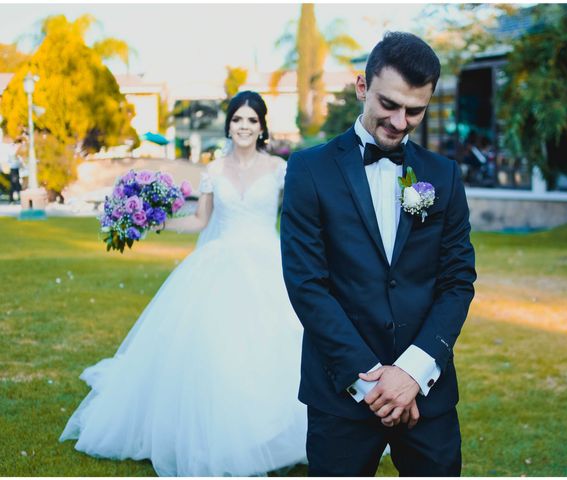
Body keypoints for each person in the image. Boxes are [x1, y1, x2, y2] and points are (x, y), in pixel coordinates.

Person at [60, 91, 307, 476]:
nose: (243, 126)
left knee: (279, 344)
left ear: (262, 127)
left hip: (267, 264)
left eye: (251, 121)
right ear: (228, 125)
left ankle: (275, 432)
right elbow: (199, 221)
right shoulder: (214, 170)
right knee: (214, 347)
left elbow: (296, 219)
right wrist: (152, 222)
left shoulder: (279, 168)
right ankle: (217, 427)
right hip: (219, 263)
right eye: (238, 119)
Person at [280, 32, 476, 476]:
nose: (401, 121)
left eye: (415, 110)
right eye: (389, 104)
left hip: (428, 392)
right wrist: (372, 383)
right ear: (361, 87)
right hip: (341, 393)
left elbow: (458, 280)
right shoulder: (308, 171)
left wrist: (411, 373)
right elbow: (307, 285)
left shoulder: (443, 175)